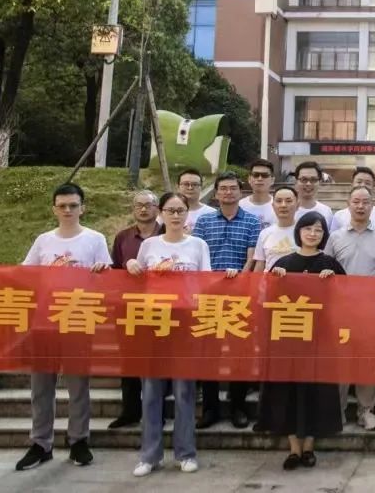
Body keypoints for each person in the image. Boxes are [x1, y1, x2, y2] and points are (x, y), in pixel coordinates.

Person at [0, 184, 111, 471]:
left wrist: (102, 272)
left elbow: (109, 276)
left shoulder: (95, 239)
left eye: (73, 205)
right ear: (54, 209)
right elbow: (22, 274)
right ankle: (41, 444)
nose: (68, 210)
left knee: (78, 386)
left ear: (83, 208)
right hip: (44, 324)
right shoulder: (44, 240)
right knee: (41, 388)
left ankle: (79, 441)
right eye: (62, 205)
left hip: (78, 320)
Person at [126, 192, 238, 477]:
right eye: (170, 210)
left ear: (188, 214)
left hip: (186, 325)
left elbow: (206, 281)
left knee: (184, 392)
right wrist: (130, 265)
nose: (175, 215)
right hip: (154, 324)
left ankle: (185, 453)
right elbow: (137, 281)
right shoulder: (149, 245)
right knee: (151, 393)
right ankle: (149, 456)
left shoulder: (198, 245)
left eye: (180, 210)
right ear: (160, 213)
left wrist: (227, 277)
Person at [261, 212, 345, 471]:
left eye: (318, 230)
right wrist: (276, 280)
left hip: (319, 340)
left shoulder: (330, 264)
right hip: (288, 338)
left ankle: (308, 446)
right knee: (287, 392)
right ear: (299, 232)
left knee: (315, 392)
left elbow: (345, 298)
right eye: (308, 229)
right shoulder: (283, 263)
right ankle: (293, 449)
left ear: (324, 235)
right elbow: (268, 300)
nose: (312, 234)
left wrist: (334, 282)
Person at [192, 171, 263, 429]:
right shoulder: (204, 221)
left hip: (240, 296)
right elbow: (197, 255)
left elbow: (252, 258)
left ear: (240, 192)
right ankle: (210, 408)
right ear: (216, 193)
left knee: (239, 354)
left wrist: (239, 282)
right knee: (208, 355)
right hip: (208, 296)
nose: (228, 192)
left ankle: (238, 407)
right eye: (223, 188)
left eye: (233, 188)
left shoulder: (252, 221)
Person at [324, 185, 375, 431]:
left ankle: (366, 411)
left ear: (372, 206)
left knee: (366, 361)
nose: (361, 206)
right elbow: (327, 272)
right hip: (341, 311)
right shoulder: (335, 237)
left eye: (365, 202)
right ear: (348, 204)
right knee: (341, 361)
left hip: (371, 312)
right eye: (356, 201)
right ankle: (338, 411)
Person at [107, 190, 161, 430]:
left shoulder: (167, 234)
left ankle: (156, 412)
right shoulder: (123, 237)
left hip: (161, 307)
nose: (143, 209)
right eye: (139, 205)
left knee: (157, 362)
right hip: (129, 306)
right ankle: (130, 410)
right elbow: (115, 270)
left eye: (148, 204)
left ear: (157, 209)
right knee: (129, 361)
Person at [251, 187, 299, 272]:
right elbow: (260, 265)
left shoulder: (305, 232)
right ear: (273, 206)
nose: (283, 205)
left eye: (288, 201)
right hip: (269, 279)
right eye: (279, 201)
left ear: (297, 205)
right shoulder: (265, 233)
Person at [330, 166, 375, 231]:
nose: (363, 185)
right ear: (352, 185)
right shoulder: (339, 216)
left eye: (367, 183)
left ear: (373, 187)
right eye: (359, 182)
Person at [239, 158, 277, 229]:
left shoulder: (279, 206)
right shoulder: (240, 206)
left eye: (265, 175)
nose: (260, 179)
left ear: (272, 180)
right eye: (256, 175)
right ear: (249, 179)